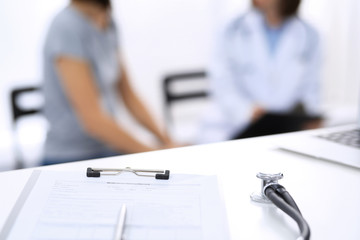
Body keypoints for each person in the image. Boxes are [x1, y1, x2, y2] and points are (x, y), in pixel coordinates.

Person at [42, 0, 176, 165]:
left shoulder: (107, 22)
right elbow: (92, 120)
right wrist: (152, 154)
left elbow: (129, 96)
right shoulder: (66, 27)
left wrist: (168, 142)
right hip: (71, 157)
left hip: (108, 148)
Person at [197, 0, 322, 143]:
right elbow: (221, 83)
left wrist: (310, 117)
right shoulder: (231, 29)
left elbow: (312, 89)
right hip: (231, 128)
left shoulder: (309, 35)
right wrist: (246, 111)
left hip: (284, 132)